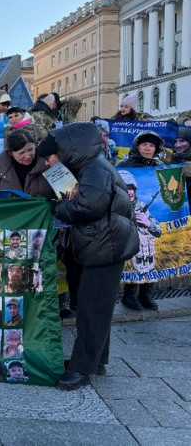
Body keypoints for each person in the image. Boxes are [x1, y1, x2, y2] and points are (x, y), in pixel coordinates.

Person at [37, 123, 139, 390]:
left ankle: (82, 368)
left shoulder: (94, 168)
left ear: (67, 150)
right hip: (100, 244)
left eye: (50, 157)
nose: (49, 163)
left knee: (93, 308)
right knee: (93, 307)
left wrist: (58, 207)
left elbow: (88, 206)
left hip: (106, 246)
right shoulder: (91, 165)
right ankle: (96, 361)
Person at [117, 170, 162, 311]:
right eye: (125, 188)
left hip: (146, 251)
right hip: (128, 252)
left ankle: (146, 294)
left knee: (148, 267)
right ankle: (129, 295)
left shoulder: (142, 207)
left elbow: (158, 231)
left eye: (131, 188)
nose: (129, 192)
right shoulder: (116, 206)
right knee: (132, 266)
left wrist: (148, 223)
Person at [0, 129, 53, 198]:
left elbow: (64, 189)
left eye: (30, 149)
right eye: (22, 153)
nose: (28, 156)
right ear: (10, 153)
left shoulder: (49, 162)